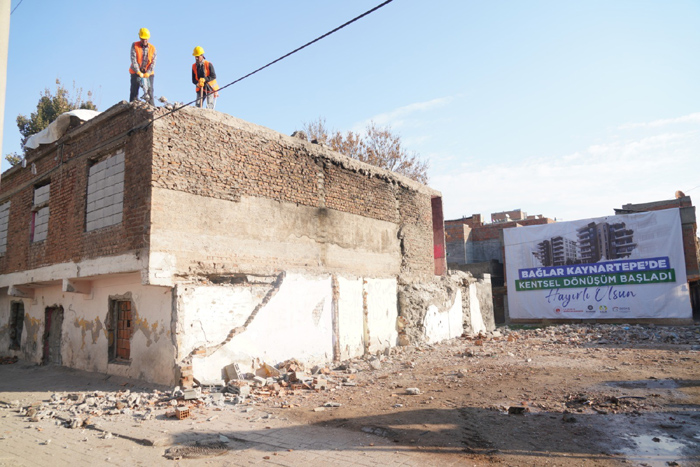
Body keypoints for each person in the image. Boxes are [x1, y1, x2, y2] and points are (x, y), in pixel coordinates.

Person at [129, 28, 156, 105]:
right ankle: (132, 107)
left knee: (150, 91)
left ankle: (151, 107)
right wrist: (138, 71)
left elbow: (153, 62)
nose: (144, 41)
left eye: (146, 39)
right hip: (135, 71)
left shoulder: (152, 48)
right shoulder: (135, 45)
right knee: (134, 91)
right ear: (140, 37)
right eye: (143, 39)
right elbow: (133, 59)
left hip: (148, 72)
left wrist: (148, 72)